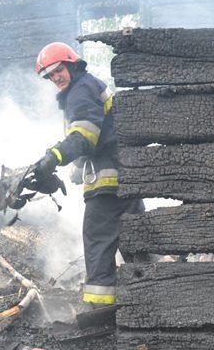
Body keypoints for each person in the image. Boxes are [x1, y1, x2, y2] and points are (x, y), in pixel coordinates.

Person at [31, 42, 144, 307]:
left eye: (58, 70)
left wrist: (53, 157)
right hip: (127, 176)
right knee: (136, 237)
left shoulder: (80, 90)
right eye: (50, 76)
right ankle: (153, 291)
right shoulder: (88, 85)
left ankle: (99, 306)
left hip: (108, 184)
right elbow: (104, 133)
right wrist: (80, 166)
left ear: (71, 64)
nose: (55, 78)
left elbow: (85, 136)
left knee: (97, 239)